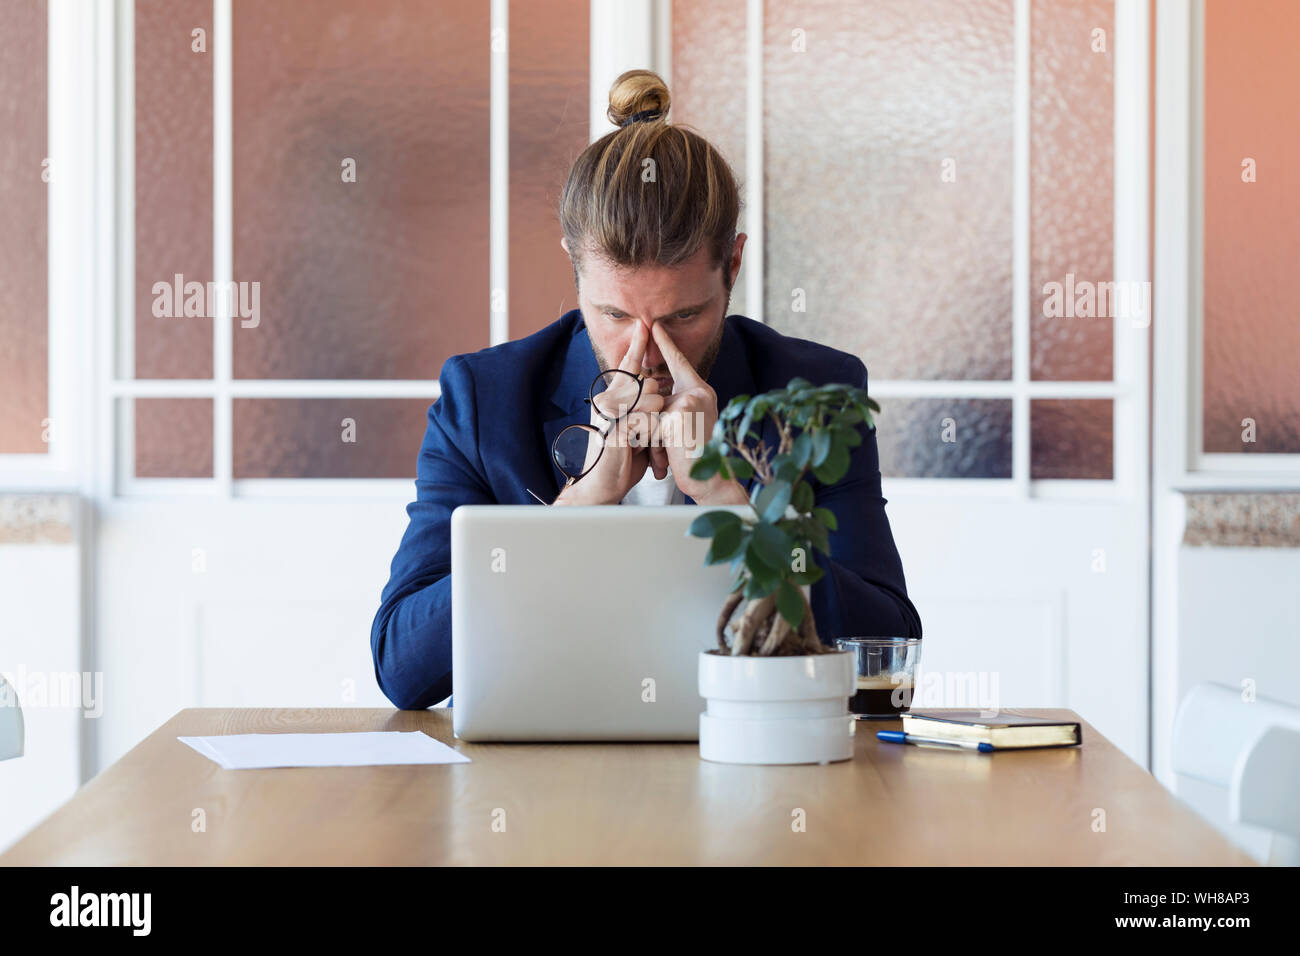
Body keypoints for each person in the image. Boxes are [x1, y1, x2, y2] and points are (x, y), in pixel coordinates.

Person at [371, 69, 921, 710]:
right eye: (614, 315)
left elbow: (887, 650)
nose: (646, 352)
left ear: (733, 266)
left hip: (752, 760)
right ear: (573, 269)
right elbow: (404, 670)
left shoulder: (815, 394)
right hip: (542, 781)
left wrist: (729, 497)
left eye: (684, 316)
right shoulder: (482, 399)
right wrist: (576, 511)